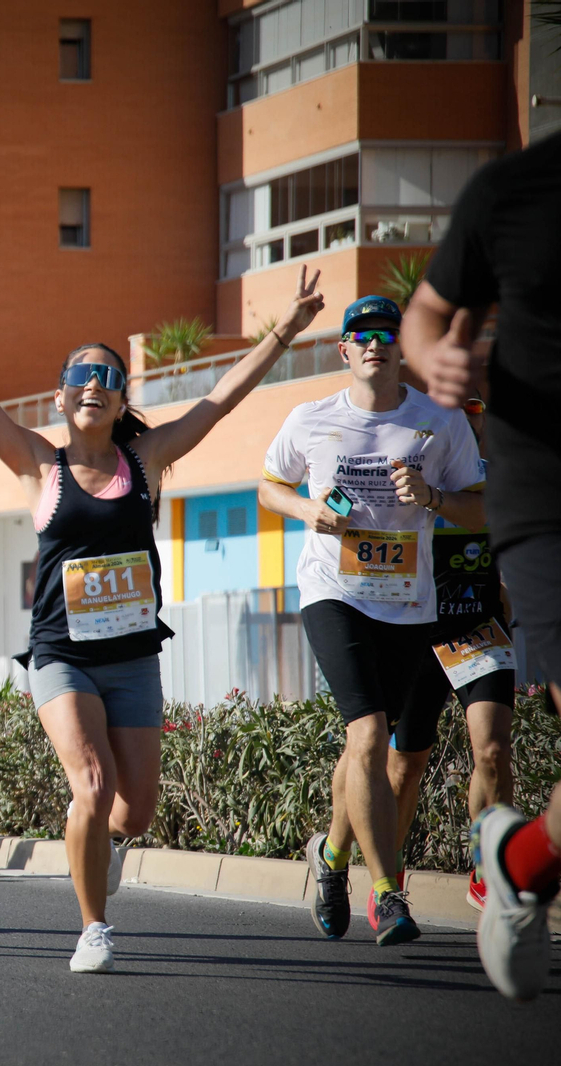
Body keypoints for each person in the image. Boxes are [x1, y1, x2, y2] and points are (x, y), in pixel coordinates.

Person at [0, 265, 325, 971]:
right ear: (61, 397)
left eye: (108, 376)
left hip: (131, 656)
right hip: (61, 653)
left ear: (122, 401)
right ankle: (94, 927)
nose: (94, 383)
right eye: (80, 374)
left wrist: (286, 331)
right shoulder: (38, 464)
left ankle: (106, 848)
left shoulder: (145, 459)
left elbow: (220, 399)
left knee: (135, 811)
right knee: (89, 782)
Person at [261, 294, 484, 949]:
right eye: (361, 334)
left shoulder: (438, 422)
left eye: (386, 333)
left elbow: (480, 506)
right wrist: (306, 512)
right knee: (367, 732)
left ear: (399, 348)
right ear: (344, 350)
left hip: (408, 604)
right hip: (333, 593)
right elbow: (269, 485)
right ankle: (387, 895)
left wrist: (435, 499)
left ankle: (329, 857)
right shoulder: (311, 418)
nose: (374, 343)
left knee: (370, 747)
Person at [399, 132, 561, 1001]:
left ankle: (518, 857)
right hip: (543, 501)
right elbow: (427, 314)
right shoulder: (515, 190)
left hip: (475, 605)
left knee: (487, 748)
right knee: (406, 757)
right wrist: (436, 357)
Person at [388, 392, 513, 909]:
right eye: (456, 412)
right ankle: (386, 882)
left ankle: (488, 869)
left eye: (476, 412)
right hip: (416, 631)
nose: (467, 421)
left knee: (493, 748)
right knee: (406, 766)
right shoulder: (403, 470)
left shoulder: (499, 477)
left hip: (477, 630)